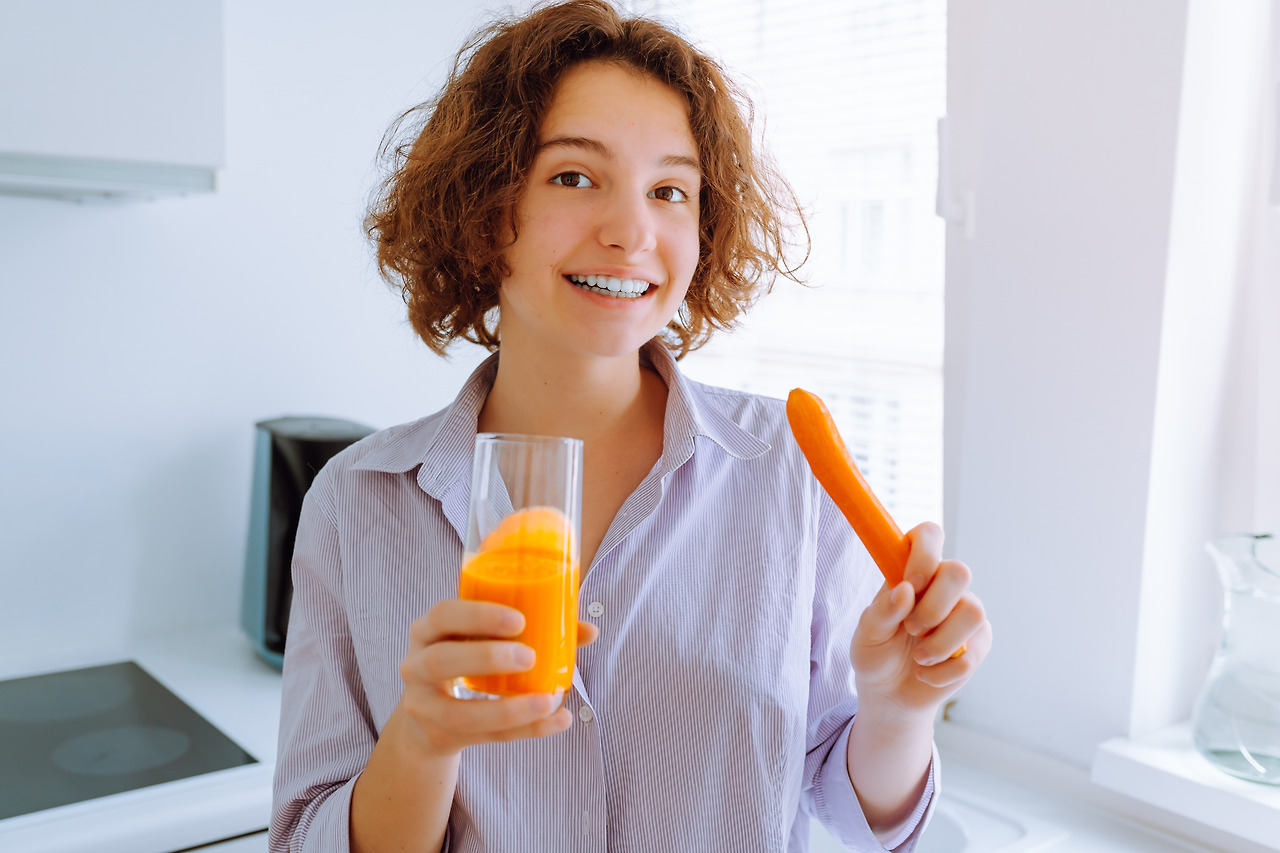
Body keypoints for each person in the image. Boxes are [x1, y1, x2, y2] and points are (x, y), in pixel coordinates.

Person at [270, 1, 992, 851]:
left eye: (669, 190)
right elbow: (305, 837)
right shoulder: (357, 503)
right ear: (482, 205)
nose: (631, 232)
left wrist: (900, 707)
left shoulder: (787, 472)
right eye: (574, 177)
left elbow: (852, 806)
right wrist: (422, 741)